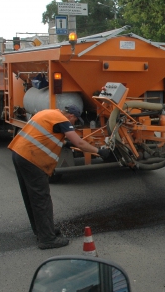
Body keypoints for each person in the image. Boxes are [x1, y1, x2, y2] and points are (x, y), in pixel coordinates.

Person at [8, 105, 110, 250]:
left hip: (19, 153)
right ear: (71, 116)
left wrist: (64, 142)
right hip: (31, 158)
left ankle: (42, 230)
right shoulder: (63, 121)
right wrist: (99, 151)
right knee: (41, 198)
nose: (74, 124)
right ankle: (47, 239)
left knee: (31, 196)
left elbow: (45, 134)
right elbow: (79, 143)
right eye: (75, 121)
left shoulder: (48, 112)